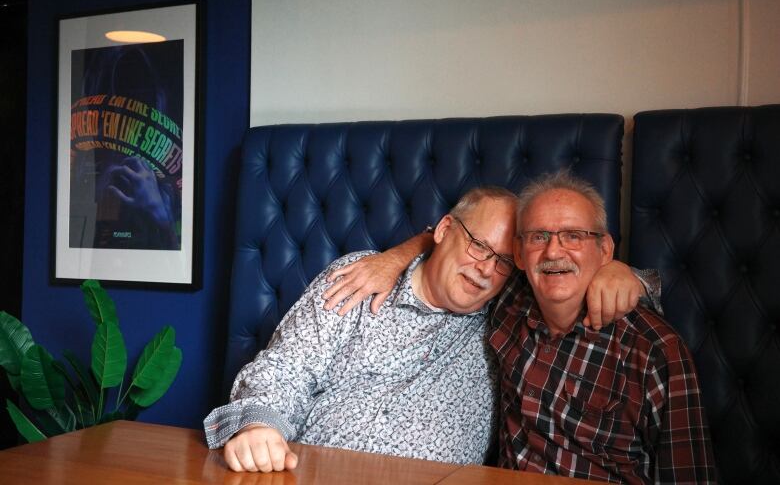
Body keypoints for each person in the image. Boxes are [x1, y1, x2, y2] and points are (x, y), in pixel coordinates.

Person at [204, 187, 517, 472]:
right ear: (445, 230)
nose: (487, 269)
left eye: (504, 261)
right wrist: (260, 426)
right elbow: (287, 368)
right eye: (478, 246)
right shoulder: (360, 278)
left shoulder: (510, 322)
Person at [497, 172, 716, 482]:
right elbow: (454, 250)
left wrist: (634, 277)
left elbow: (688, 475)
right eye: (538, 236)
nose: (554, 251)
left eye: (573, 235)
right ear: (518, 253)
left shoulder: (654, 351)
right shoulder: (507, 304)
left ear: (604, 250)